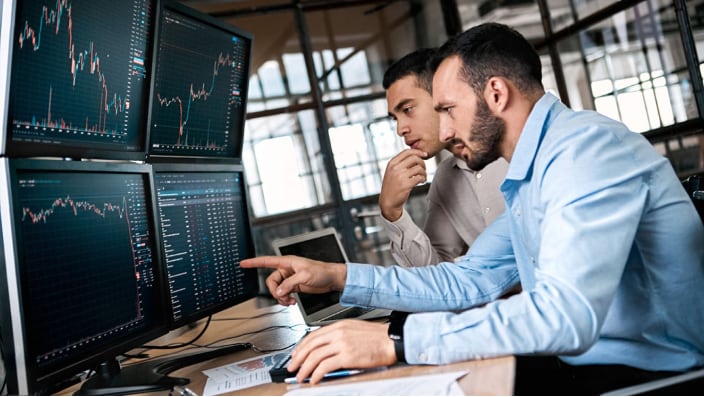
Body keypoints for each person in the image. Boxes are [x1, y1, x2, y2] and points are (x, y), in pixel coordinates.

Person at [242, 23, 704, 394]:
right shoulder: (533, 167)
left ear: (496, 94)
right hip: (583, 366)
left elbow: (566, 317)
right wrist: (339, 277)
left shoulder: (585, 151)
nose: (441, 130)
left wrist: (395, 342)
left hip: (654, 378)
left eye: (447, 109)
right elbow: (470, 278)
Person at [380, 48, 507, 267]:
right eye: (395, 118)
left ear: (442, 96)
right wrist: (392, 213)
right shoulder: (446, 178)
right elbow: (433, 274)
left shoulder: (511, 152)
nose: (400, 129)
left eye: (408, 109)